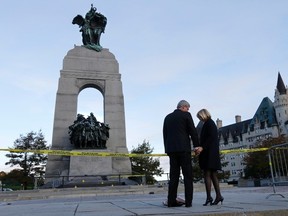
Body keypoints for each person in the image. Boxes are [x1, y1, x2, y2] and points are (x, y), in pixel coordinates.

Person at [163, 100, 200, 207]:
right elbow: (192, 131)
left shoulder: (167, 117)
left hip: (172, 150)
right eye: (187, 108)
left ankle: (171, 201)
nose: (188, 110)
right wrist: (197, 145)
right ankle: (188, 202)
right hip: (184, 150)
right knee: (188, 176)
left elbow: (165, 134)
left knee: (174, 177)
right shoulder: (186, 115)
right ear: (183, 107)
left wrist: (167, 149)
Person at [195, 109, 224, 206]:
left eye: (199, 117)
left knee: (207, 174)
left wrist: (202, 147)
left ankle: (209, 197)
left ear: (203, 115)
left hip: (209, 153)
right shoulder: (210, 123)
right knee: (213, 175)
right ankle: (218, 196)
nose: (199, 119)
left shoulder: (209, 124)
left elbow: (210, 138)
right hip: (211, 152)